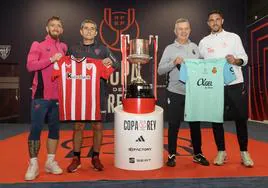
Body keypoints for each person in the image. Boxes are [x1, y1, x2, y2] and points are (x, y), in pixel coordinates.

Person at [199, 10, 254, 167]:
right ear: (208, 23)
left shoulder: (233, 37)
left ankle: (244, 152)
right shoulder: (203, 42)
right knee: (216, 119)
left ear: (222, 21)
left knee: (241, 119)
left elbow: (244, 58)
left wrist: (235, 60)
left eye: (217, 19)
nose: (214, 22)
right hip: (214, 86)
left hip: (235, 83)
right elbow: (201, 65)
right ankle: (221, 151)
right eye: (211, 20)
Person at [66, 19, 119, 172]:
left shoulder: (103, 49)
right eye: (86, 28)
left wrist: (110, 61)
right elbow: (65, 67)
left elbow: (116, 62)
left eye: (92, 29)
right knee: (78, 126)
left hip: (98, 94)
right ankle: (76, 158)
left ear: (96, 33)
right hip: (78, 95)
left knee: (97, 126)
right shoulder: (73, 49)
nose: (89, 31)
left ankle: (95, 157)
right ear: (81, 31)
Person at [158, 18, 209, 167]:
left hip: (194, 93)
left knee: (195, 125)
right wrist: (174, 63)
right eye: (180, 29)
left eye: (186, 28)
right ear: (175, 31)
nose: (183, 31)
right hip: (174, 91)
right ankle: (172, 154)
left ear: (190, 30)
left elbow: (202, 69)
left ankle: (197, 154)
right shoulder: (169, 49)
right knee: (174, 125)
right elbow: (160, 70)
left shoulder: (195, 47)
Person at [25, 16, 67, 180]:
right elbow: (30, 65)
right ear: (47, 28)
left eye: (58, 25)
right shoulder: (38, 45)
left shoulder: (64, 47)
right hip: (41, 96)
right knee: (35, 130)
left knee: (54, 130)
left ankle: (50, 162)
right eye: (52, 25)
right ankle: (33, 164)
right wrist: (51, 59)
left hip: (58, 98)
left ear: (62, 30)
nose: (56, 28)